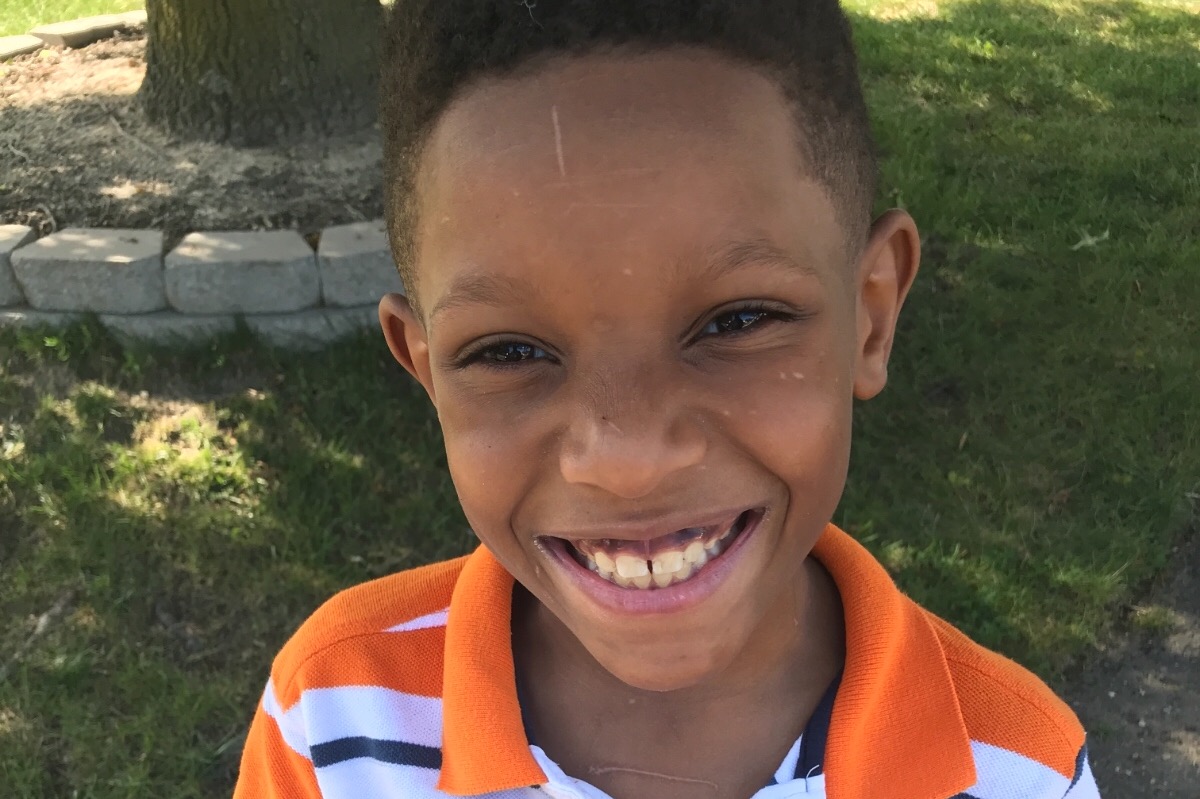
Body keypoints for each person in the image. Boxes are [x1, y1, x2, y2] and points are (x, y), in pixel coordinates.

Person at [233, 1, 1101, 797]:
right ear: (426, 371)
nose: (627, 457)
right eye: (509, 352)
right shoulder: (334, 725)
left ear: (869, 317)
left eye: (738, 321)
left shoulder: (1020, 772)